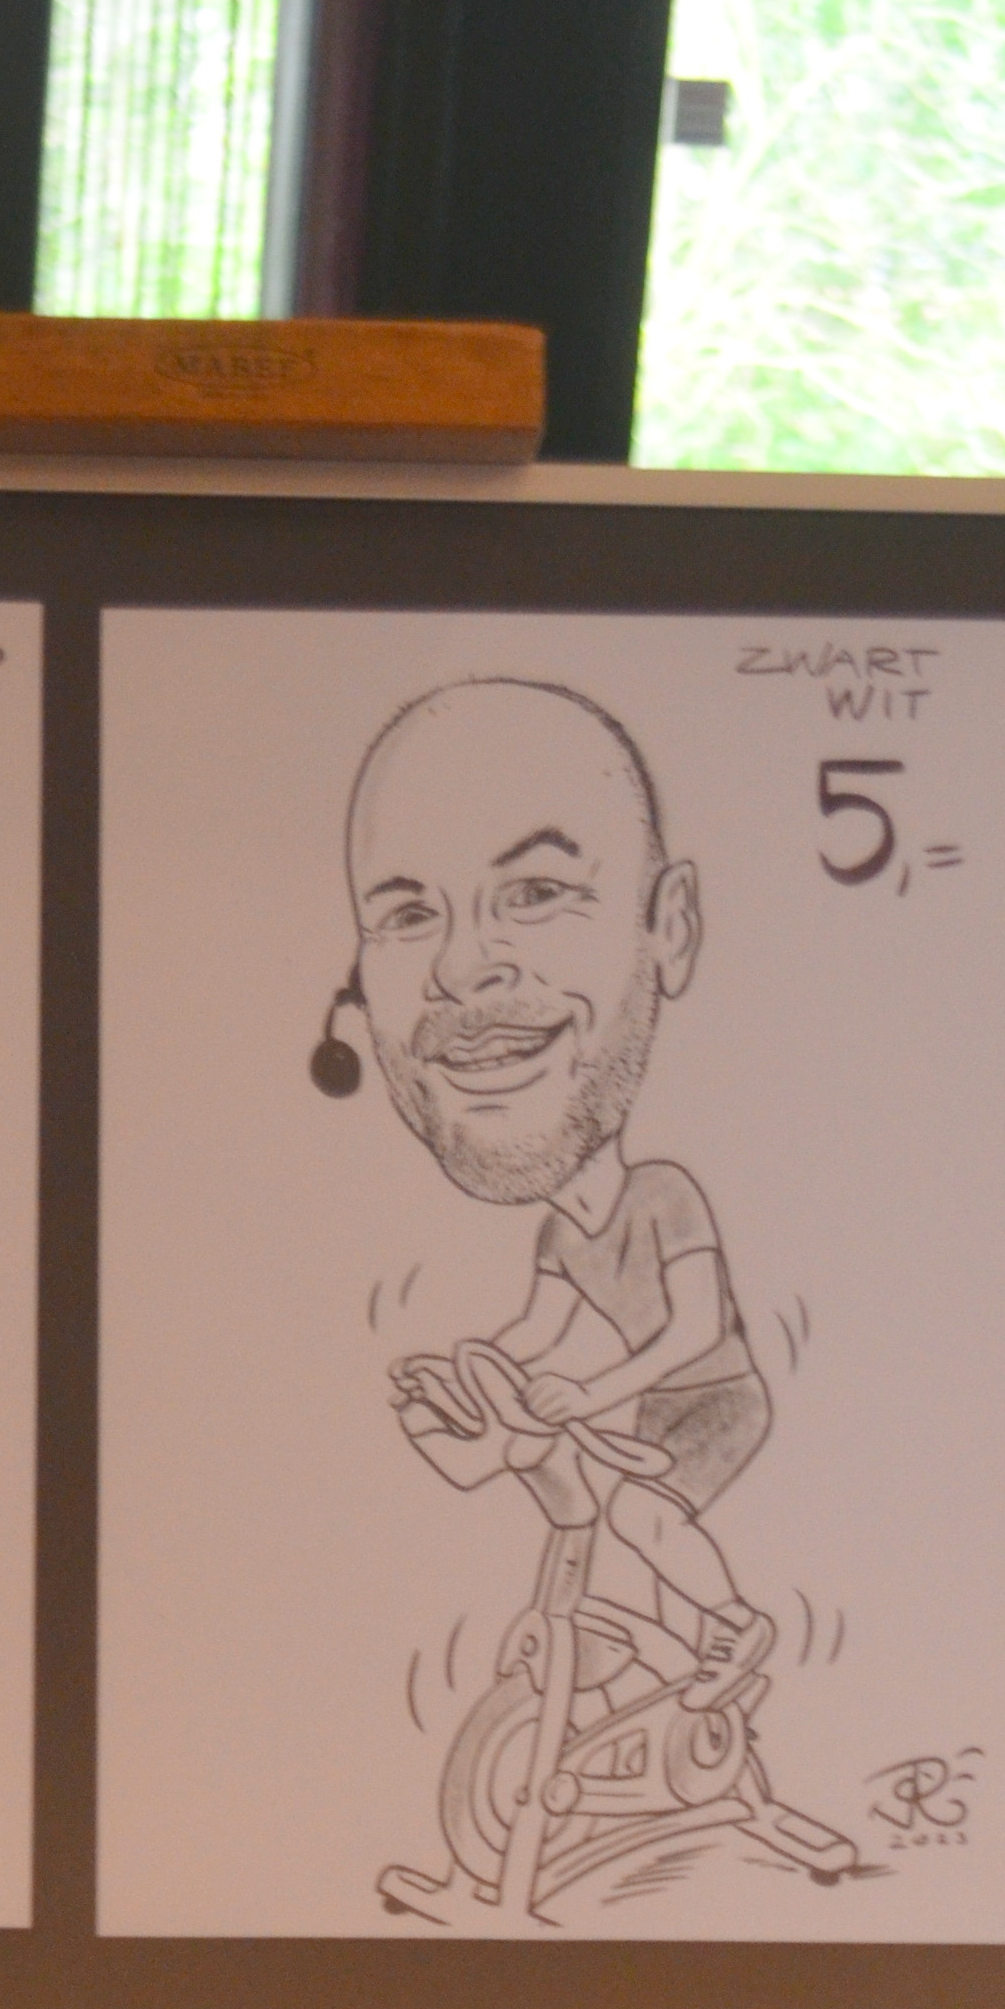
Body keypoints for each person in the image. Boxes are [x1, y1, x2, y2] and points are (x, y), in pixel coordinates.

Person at [349, 676, 772, 1701]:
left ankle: (733, 1627)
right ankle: (612, 1643)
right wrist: (479, 1369)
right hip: (642, 1397)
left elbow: (693, 1330)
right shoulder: (560, 1234)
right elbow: (540, 1327)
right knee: (554, 1474)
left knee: (643, 1514)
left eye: (535, 892)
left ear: (670, 926)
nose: (462, 967)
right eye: (408, 913)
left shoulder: (663, 1196)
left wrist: (591, 1390)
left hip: (712, 1397)